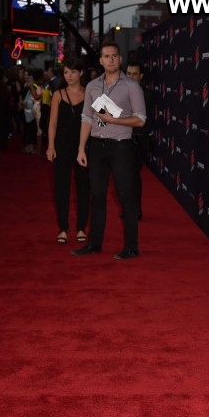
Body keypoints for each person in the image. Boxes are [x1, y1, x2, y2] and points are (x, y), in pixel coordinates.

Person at [72, 40, 146, 260]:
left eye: (114, 56)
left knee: (126, 196)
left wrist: (114, 120)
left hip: (121, 146)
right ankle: (94, 243)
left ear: (120, 59)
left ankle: (131, 247)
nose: (111, 59)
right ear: (101, 60)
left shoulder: (131, 86)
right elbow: (86, 117)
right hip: (96, 146)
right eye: (106, 56)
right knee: (97, 195)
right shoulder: (92, 86)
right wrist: (81, 148)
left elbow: (140, 119)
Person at [46, 58, 90, 245]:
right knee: (61, 188)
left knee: (83, 188)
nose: (69, 76)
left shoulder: (90, 94)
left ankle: (81, 228)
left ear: (81, 73)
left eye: (73, 72)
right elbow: (53, 123)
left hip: (84, 147)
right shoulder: (58, 94)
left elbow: (100, 118)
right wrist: (50, 146)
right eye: (66, 72)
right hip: (62, 146)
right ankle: (63, 228)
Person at [124, 60, 152, 220]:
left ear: (141, 76)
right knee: (124, 176)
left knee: (133, 175)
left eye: (134, 74)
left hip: (138, 139)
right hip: (122, 139)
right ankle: (128, 208)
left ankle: (136, 209)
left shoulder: (146, 95)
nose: (130, 77)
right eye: (128, 74)